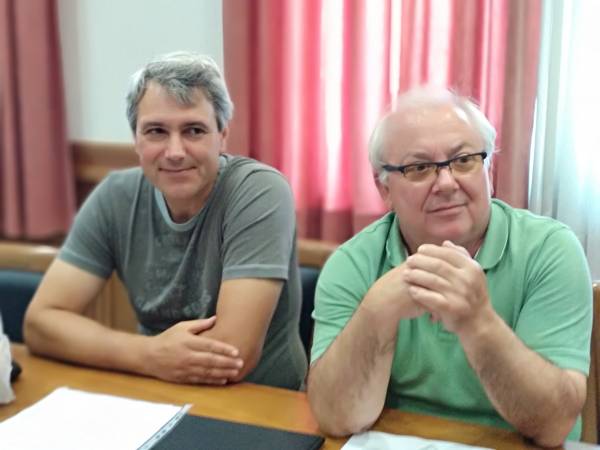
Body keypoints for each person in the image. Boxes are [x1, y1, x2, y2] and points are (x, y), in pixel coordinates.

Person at [307, 87, 592, 446]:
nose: (446, 183)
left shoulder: (549, 250)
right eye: (419, 168)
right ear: (384, 189)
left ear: (488, 169)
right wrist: (377, 310)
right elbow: (336, 417)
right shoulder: (353, 262)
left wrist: (478, 323)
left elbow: (553, 425)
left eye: (464, 160)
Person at [24, 51, 307, 390]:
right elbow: (40, 322)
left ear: (222, 136)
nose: (175, 152)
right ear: (136, 140)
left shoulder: (259, 190)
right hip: (156, 390)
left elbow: (231, 356)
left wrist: (143, 356)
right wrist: (148, 355)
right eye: (156, 131)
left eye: (194, 130)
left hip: (259, 401)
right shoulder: (115, 196)